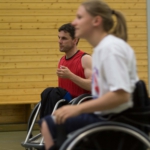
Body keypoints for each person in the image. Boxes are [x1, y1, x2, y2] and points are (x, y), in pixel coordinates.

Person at [39, 0, 139, 149]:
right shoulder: (101, 50)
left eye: (79, 17)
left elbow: (122, 95)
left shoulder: (110, 50)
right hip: (103, 115)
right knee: (49, 122)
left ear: (96, 21)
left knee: (49, 124)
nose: (74, 22)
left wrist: (78, 108)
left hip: (112, 118)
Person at [57, 23, 92, 98]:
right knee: (49, 93)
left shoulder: (85, 59)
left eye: (64, 38)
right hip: (66, 104)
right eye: (59, 37)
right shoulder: (61, 60)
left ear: (75, 40)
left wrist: (70, 76)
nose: (59, 41)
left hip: (81, 105)